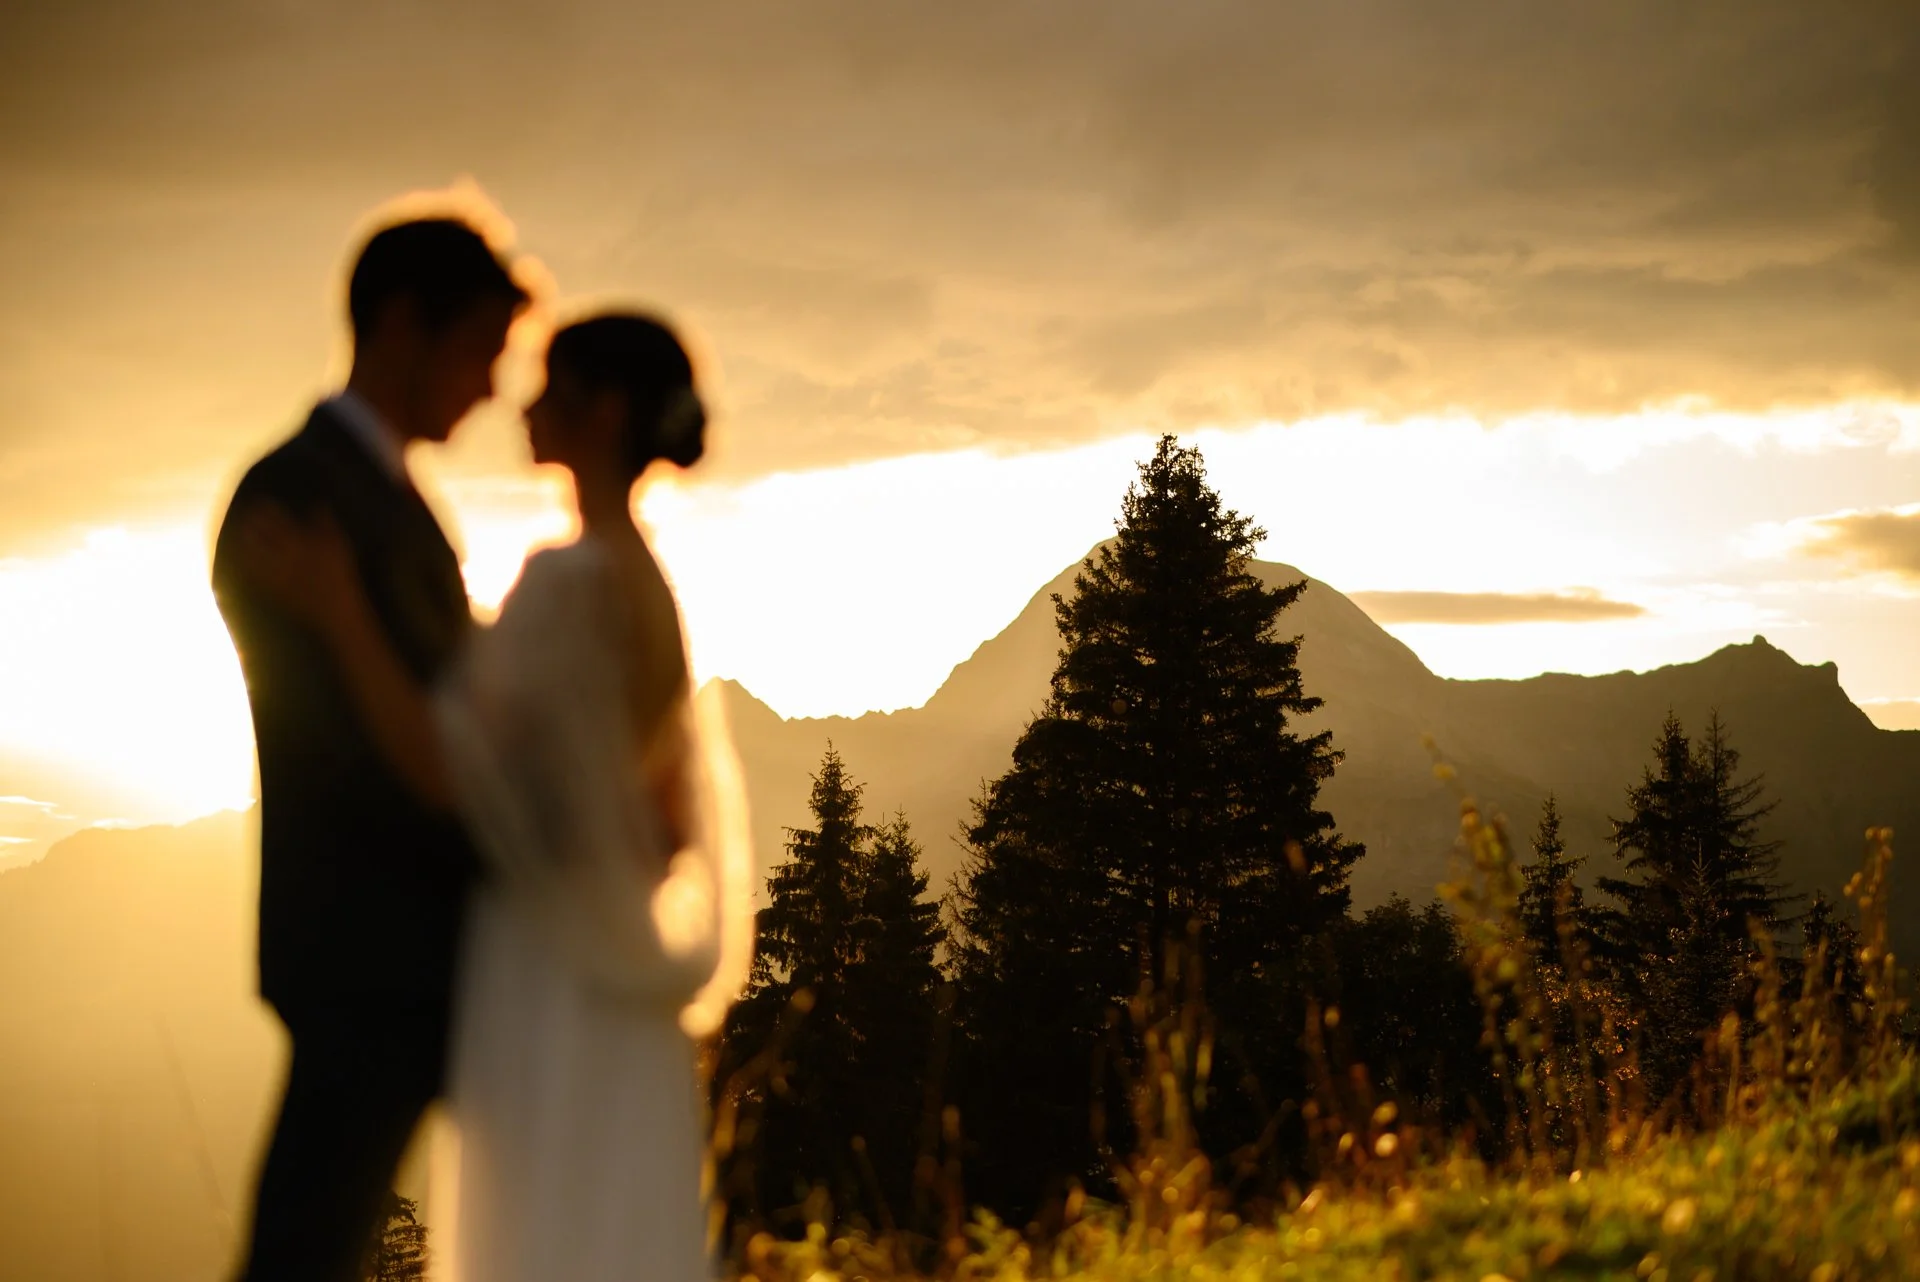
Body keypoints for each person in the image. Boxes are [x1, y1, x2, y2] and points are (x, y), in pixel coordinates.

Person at [237, 313, 743, 1282]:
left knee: (541, 1232)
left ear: (604, 412)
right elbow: (672, 822)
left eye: (550, 385)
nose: (523, 402)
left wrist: (340, 606)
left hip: (547, 966)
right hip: (619, 975)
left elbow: (442, 768)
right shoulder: (646, 584)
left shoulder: (566, 580)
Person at [212, 217, 527, 1282]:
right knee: (306, 1251)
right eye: (478, 349)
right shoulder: (294, 496)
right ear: (401, 327)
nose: (489, 387)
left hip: (419, 954)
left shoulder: (394, 501)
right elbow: (345, 740)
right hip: (364, 948)